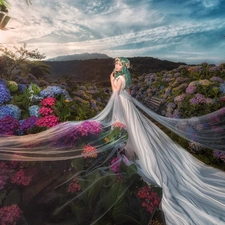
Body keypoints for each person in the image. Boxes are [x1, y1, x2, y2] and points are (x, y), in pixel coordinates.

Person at [0, 57, 225, 225]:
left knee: (122, 126)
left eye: (118, 64)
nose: (116, 66)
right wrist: (114, 79)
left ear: (123, 67)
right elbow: (120, 92)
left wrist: (111, 79)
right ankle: (131, 148)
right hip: (126, 104)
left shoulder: (118, 78)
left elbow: (115, 93)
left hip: (121, 103)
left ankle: (131, 151)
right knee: (130, 128)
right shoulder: (125, 78)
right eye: (116, 64)